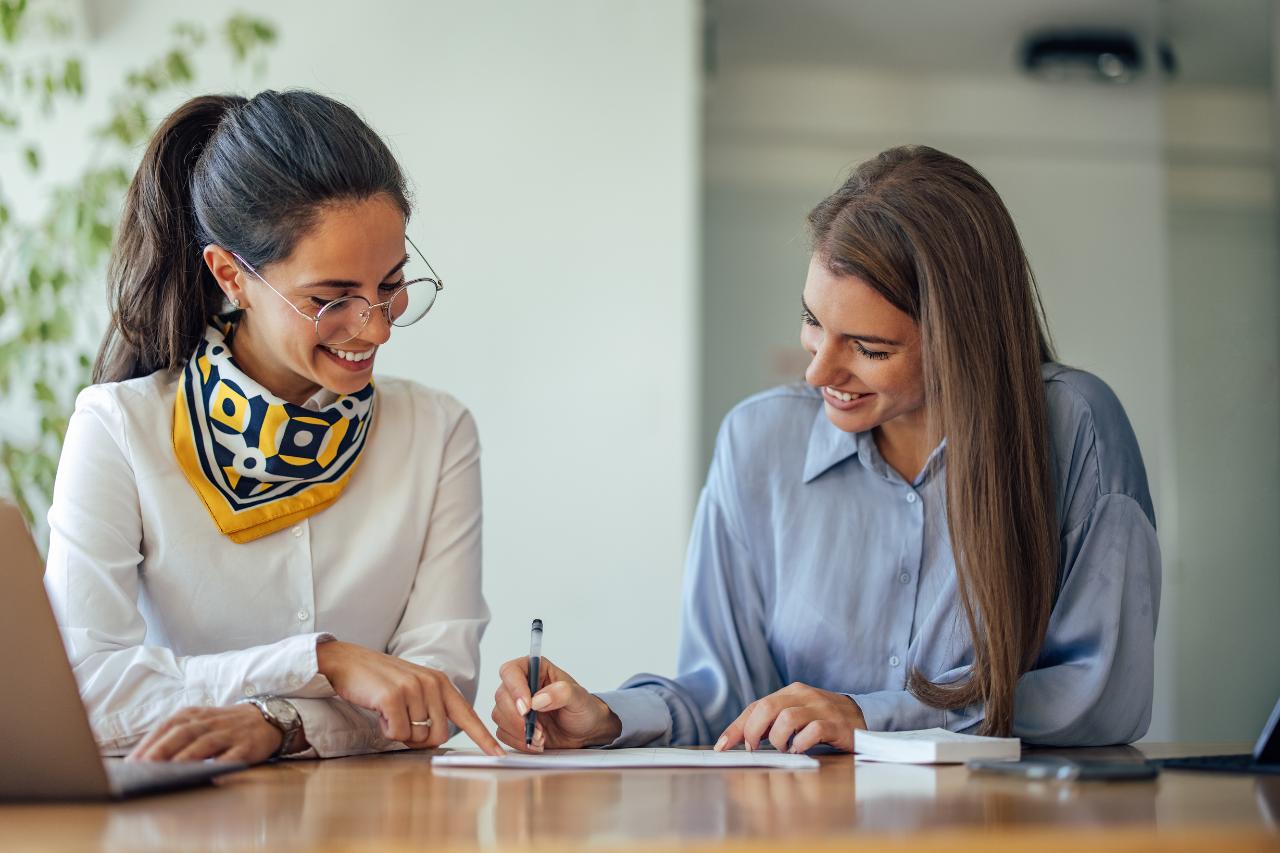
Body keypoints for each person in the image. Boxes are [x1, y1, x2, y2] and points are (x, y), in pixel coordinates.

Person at [492, 145, 1161, 753]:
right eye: (814, 322)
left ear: (964, 341)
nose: (816, 374)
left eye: (870, 349)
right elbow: (726, 696)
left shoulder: (1076, 429)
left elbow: (1099, 696)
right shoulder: (757, 443)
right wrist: (604, 715)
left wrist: (868, 715)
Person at [44, 90, 503, 763]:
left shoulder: (438, 434)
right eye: (332, 298)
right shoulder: (118, 429)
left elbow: (433, 693)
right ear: (232, 275)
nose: (375, 325)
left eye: (392, 284)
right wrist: (323, 661)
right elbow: (83, 690)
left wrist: (278, 720)